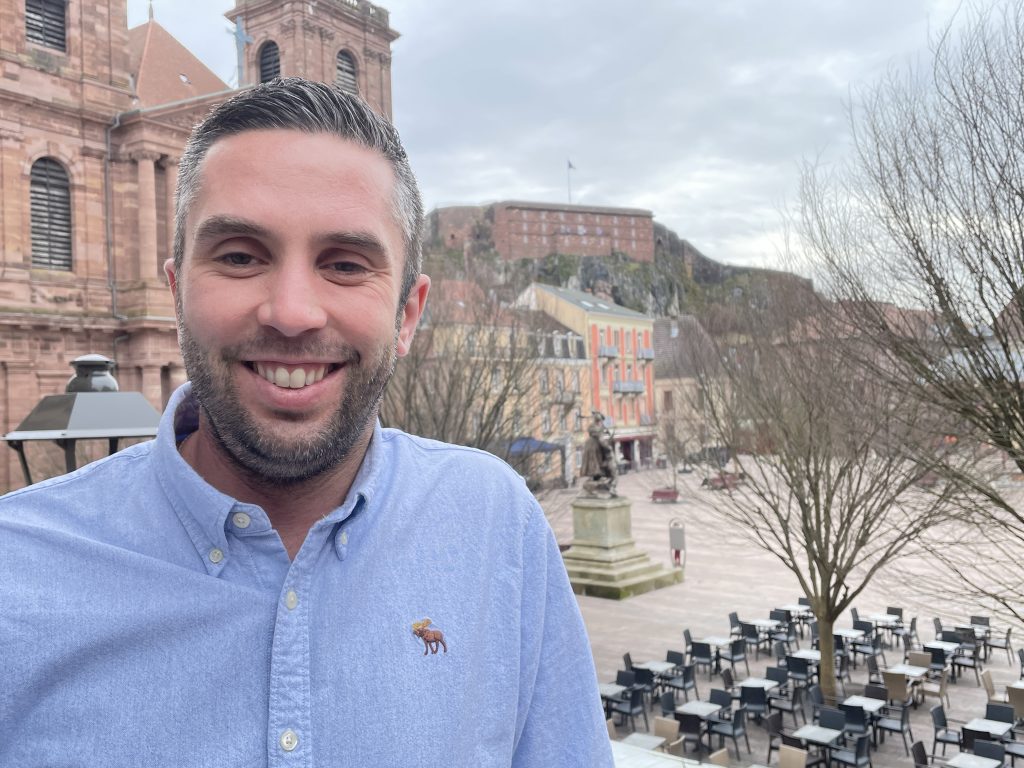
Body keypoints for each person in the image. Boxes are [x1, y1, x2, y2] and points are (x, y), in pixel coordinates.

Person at [0, 79, 612, 766]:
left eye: (345, 265)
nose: (292, 312)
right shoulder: (16, 576)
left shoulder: (497, 526)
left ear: (407, 315)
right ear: (176, 293)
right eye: (239, 256)